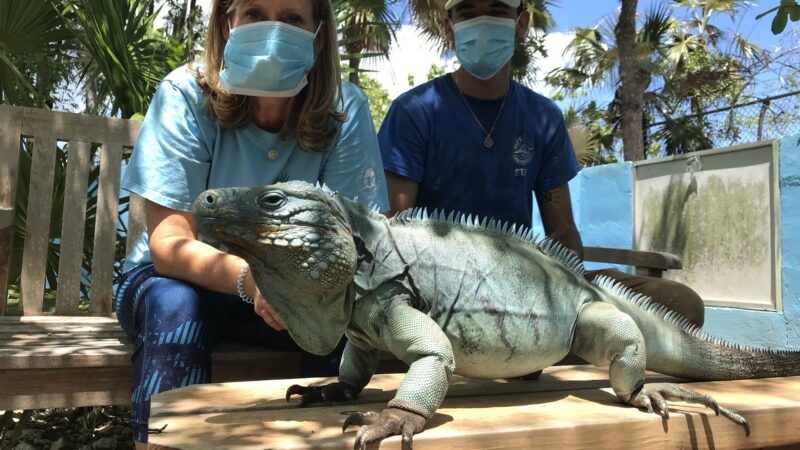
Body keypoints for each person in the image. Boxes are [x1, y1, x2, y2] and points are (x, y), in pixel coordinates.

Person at [115, 0, 388, 446]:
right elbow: (168, 243)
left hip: (295, 291)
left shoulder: (346, 109)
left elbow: (354, 240)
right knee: (174, 308)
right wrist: (255, 280)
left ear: (318, 36)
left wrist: (291, 290)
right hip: (175, 280)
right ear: (227, 24)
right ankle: (160, 442)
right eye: (255, 14)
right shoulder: (184, 94)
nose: (273, 29)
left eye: (293, 18)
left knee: (340, 321)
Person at [378, 0, 704, 334]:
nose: (482, 21)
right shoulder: (413, 112)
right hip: (442, 290)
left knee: (680, 304)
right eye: (467, 12)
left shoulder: (542, 117)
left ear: (521, 24)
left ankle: (549, 336)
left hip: (530, 282)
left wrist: (568, 287)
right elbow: (395, 229)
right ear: (449, 26)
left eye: (497, 10)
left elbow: (561, 229)